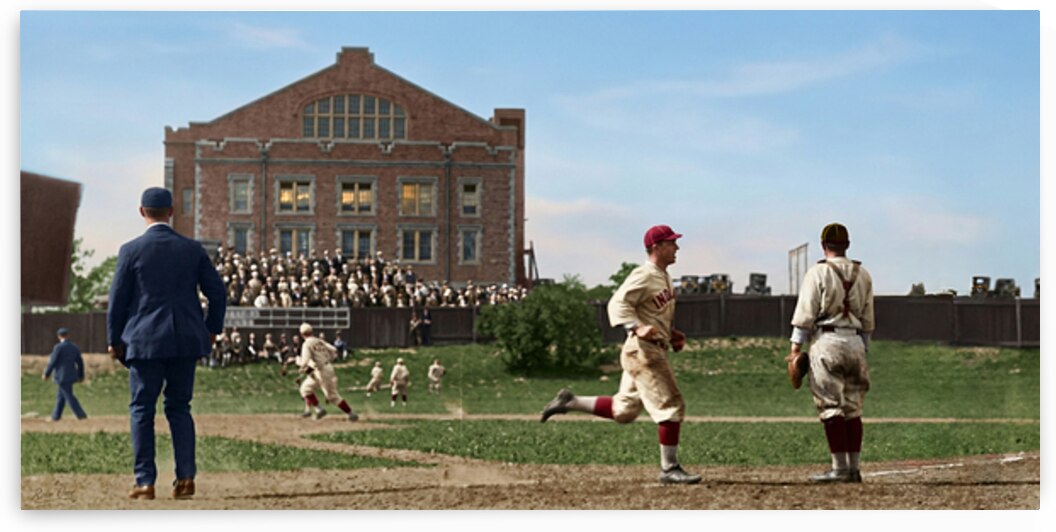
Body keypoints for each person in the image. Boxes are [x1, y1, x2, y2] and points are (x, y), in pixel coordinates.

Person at [539, 224, 701, 485]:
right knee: (670, 406)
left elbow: (652, 313)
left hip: (644, 349)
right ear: (656, 247)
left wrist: (670, 334)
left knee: (623, 410)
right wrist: (636, 326)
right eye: (671, 243)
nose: (677, 247)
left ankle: (570, 401)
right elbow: (618, 303)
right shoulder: (645, 274)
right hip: (644, 352)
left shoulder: (663, 275)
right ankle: (669, 468)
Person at [107, 187, 226, 501]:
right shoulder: (192, 249)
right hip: (185, 339)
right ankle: (185, 478)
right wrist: (212, 328)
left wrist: (113, 339)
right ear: (171, 212)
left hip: (144, 341)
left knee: (142, 409)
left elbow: (117, 301)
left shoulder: (130, 250)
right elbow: (218, 292)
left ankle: (145, 482)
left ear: (142, 211)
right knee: (179, 407)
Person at [786, 222, 874, 483]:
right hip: (856, 342)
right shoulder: (864, 274)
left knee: (831, 407)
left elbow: (805, 315)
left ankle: (839, 468)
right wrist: (863, 348)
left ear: (824, 245)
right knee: (853, 408)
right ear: (847, 245)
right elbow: (868, 319)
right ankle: (854, 469)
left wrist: (795, 350)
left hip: (827, 341)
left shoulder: (817, 272)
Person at [282, 322, 359, 421]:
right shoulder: (318, 341)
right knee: (305, 389)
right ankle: (319, 410)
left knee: (331, 396)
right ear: (312, 331)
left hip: (322, 370)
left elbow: (305, 361)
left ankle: (351, 414)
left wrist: (301, 368)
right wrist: (328, 359)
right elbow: (334, 349)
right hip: (322, 369)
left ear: (301, 334)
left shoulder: (307, 344)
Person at [42, 327, 87, 421]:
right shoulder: (74, 347)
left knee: (68, 395)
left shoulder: (58, 347)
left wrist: (47, 373)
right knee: (61, 396)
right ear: (68, 335)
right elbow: (80, 362)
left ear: (59, 336)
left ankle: (81, 414)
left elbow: (53, 361)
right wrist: (81, 375)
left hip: (61, 375)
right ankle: (56, 416)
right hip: (71, 374)